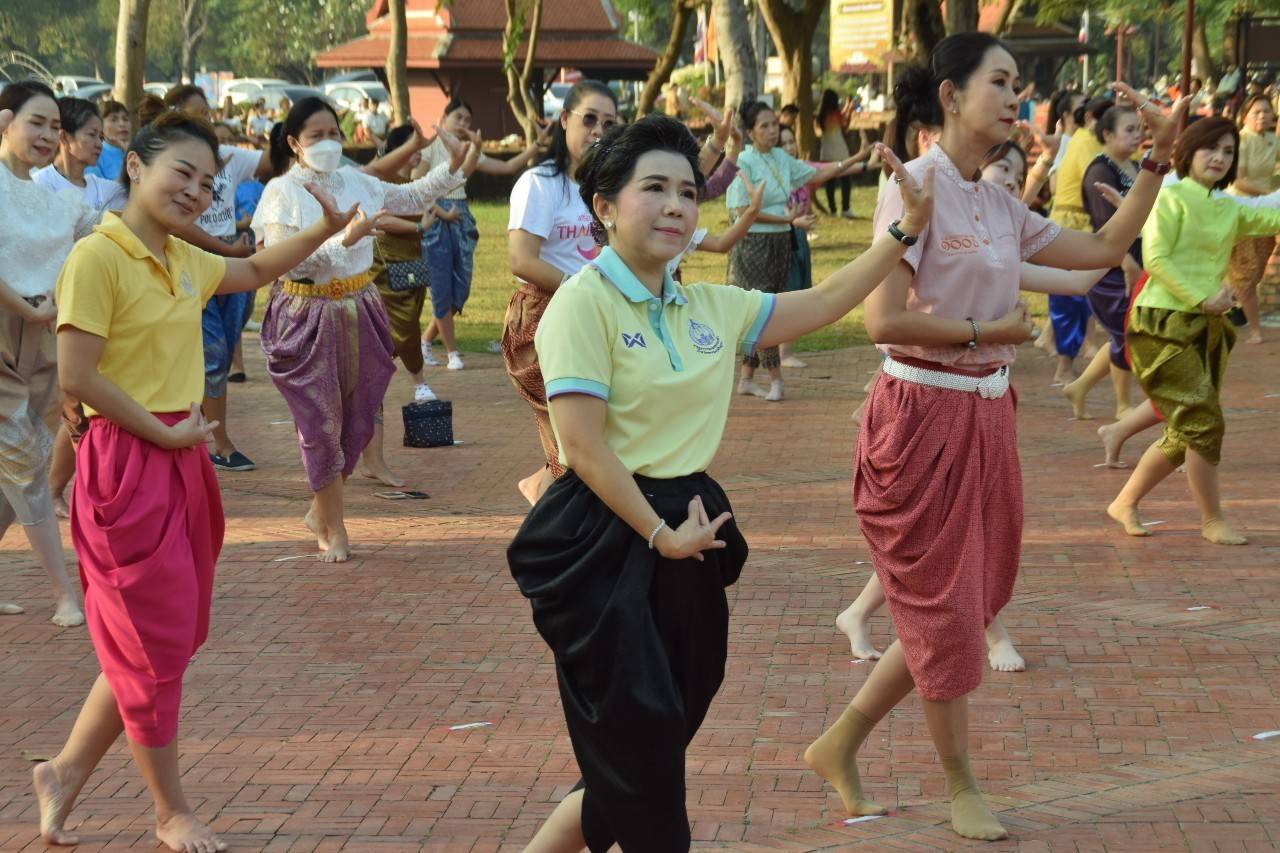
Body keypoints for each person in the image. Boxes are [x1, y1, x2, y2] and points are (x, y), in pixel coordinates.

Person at [510, 113, 935, 853]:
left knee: (656, 737)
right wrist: (657, 532)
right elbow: (579, 444)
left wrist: (900, 237)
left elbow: (828, 299)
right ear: (605, 205)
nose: (676, 205)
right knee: (642, 749)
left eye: (686, 190)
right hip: (608, 536)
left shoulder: (710, 307)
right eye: (654, 188)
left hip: (691, 527)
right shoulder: (583, 302)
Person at [802, 33, 1185, 842]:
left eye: (1020, 83)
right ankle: (959, 782)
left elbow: (1105, 252)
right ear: (950, 94)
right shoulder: (915, 189)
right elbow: (882, 319)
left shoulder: (998, 199)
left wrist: (1157, 159)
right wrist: (987, 329)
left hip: (987, 413)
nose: (1018, 96)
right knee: (944, 610)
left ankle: (838, 742)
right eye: (1001, 82)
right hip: (919, 418)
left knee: (967, 601)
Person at [35, 109, 369, 853]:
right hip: (130, 456)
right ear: (134, 167)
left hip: (182, 459)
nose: (193, 191)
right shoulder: (99, 257)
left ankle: (61, 772)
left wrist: (323, 232)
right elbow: (77, 376)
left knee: (168, 638)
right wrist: (161, 431)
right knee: (151, 646)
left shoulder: (184, 258)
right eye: (180, 172)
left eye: (207, 182)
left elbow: (249, 271)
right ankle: (169, 811)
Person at [251, 97, 478, 562]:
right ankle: (336, 528)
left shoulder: (355, 181)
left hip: (360, 307)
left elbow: (411, 197)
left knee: (357, 418)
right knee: (319, 423)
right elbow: (286, 258)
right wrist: (344, 240)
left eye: (334, 133)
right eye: (316, 136)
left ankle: (322, 510)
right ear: (294, 143)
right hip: (304, 315)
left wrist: (453, 167)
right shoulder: (281, 192)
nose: (328, 143)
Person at [1107, 117, 1280, 546]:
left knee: (1187, 427)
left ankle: (1124, 502)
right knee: (1203, 421)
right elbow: (1157, 259)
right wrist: (1203, 297)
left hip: (1208, 326)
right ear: (1188, 150)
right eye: (1211, 149)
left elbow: (1271, 216)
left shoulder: (1227, 205)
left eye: (1228, 151)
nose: (1220, 158)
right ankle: (1211, 520)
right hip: (1161, 324)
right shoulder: (1169, 195)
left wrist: (1209, 306)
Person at [0, 82, 93, 628]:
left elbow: (102, 239)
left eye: (54, 126)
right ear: (6, 119)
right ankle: (65, 593)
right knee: (26, 464)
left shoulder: (62, 198)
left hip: (49, 340)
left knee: (17, 466)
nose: (46, 134)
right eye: (36, 122)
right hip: (6, 337)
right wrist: (29, 310)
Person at [505, 79, 619, 506]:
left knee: (603, 431)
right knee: (578, 439)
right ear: (564, 120)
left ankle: (543, 488)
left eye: (609, 123)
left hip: (599, 317)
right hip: (544, 319)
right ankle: (555, 525)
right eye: (589, 119)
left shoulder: (609, 188)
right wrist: (582, 291)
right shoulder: (540, 183)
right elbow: (522, 259)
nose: (598, 131)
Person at [727, 102, 875, 402]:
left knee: (770, 308)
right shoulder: (743, 162)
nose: (772, 131)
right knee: (764, 312)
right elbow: (742, 211)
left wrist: (854, 159)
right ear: (751, 132)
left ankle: (745, 379)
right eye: (764, 126)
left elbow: (815, 173)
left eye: (773, 125)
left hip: (781, 243)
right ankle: (776, 378)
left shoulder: (781, 157)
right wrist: (787, 219)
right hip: (753, 245)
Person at [33, 97, 129, 520]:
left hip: (96, 306)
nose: (97, 143)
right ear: (65, 139)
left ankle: (61, 488)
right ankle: (51, 489)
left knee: (81, 401)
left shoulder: (105, 190)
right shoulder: (38, 185)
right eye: (91, 135)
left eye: (99, 136)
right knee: (68, 402)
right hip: (46, 307)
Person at [416, 97, 551, 371]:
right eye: (458, 118)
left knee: (460, 289)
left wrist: (537, 145)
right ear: (444, 119)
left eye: (467, 120)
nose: (463, 124)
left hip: (461, 218)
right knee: (441, 285)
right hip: (435, 221)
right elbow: (416, 188)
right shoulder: (430, 148)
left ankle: (426, 340)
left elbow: (507, 167)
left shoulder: (469, 151)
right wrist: (441, 213)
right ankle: (453, 352)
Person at [1062, 104, 1144, 420]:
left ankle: (1080, 387)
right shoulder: (1100, 171)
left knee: (1121, 332)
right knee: (1128, 331)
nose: (1137, 136)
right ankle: (1123, 404)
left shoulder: (1136, 167)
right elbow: (1104, 224)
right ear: (1107, 134)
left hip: (1136, 259)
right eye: (1129, 129)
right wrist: (1125, 262)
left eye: (1139, 129)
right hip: (1110, 266)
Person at [1046, 96, 1112, 383]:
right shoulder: (1086, 142)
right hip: (1071, 224)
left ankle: (1072, 356)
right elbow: (1100, 183)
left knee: (1082, 296)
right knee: (1069, 298)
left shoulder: (1093, 143)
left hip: (1084, 224)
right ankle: (1064, 365)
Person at [1226, 94, 1278, 343]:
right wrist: (1270, 194)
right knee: (1246, 271)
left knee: (1257, 270)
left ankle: (1234, 305)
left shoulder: (1271, 139)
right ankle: (1255, 329)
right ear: (1244, 115)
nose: (1262, 116)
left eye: (1266, 112)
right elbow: (1238, 180)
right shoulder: (1241, 141)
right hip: (1242, 210)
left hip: (1266, 213)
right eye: (1256, 112)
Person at [816, 89, 855, 218]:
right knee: (845, 180)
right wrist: (849, 109)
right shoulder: (836, 114)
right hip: (840, 151)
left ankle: (832, 209)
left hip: (826, 152)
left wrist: (847, 107)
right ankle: (845, 208)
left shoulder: (820, 115)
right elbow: (845, 125)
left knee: (830, 183)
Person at [85, 99, 128, 182]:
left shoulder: (136, 150)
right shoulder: (95, 154)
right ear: (100, 125)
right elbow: (99, 192)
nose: (122, 124)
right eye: (114, 120)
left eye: (125, 119)